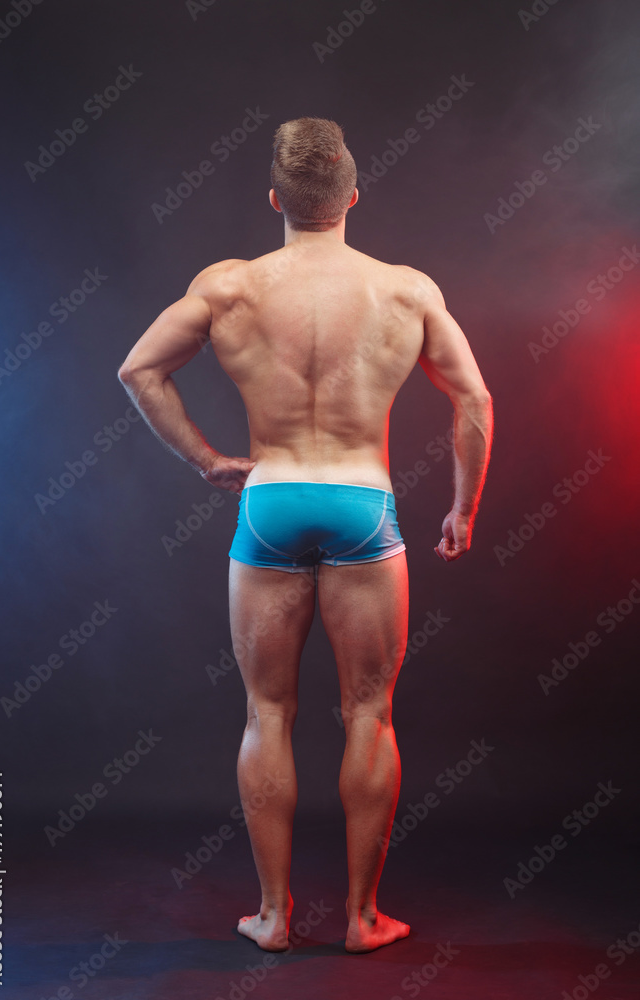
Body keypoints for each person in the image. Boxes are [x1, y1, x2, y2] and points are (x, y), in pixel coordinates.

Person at [117, 116, 493, 954]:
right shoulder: (405, 290)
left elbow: (138, 370)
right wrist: (461, 509)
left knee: (266, 713)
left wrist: (208, 461)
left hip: (271, 500)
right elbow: (473, 399)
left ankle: (273, 917)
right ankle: (361, 919)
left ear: (274, 200)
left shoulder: (229, 287)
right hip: (362, 501)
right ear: (353, 198)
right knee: (369, 713)